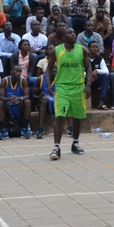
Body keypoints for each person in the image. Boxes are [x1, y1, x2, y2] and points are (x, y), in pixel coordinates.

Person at [47, 28, 92, 160]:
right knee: (59, 115)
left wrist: (88, 85)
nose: (73, 34)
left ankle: (75, 143)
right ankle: (56, 147)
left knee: (77, 117)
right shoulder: (56, 50)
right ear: (64, 36)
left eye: (74, 33)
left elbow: (89, 68)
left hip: (78, 87)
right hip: (62, 87)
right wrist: (49, 84)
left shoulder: (82, 49)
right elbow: (49, 68)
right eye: (70, 33)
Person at [0, 65, 32, 139]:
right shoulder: (4, 80)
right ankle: (4, 130)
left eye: (20, 71)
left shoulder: (23, 80)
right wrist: (10, 99)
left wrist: (19, 98)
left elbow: (27, 95)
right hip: (8, 107)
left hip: (18, 107)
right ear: (11, 71)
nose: (19, 73)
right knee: (0, 103)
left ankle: (24, 129)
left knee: (27, 102)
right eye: (17, 71)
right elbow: (1, 97)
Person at [87, 41, 110, 110]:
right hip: (85, 81)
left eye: (96, 47)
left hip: (95, 81)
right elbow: (80, 71)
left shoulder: (100, 58)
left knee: (105, 76)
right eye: (93, 47)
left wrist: (97, 71)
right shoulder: (84, 58)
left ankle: (101, 102)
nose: (95, 48)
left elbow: (106, 71)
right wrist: (89, 76)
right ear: (88, 48)